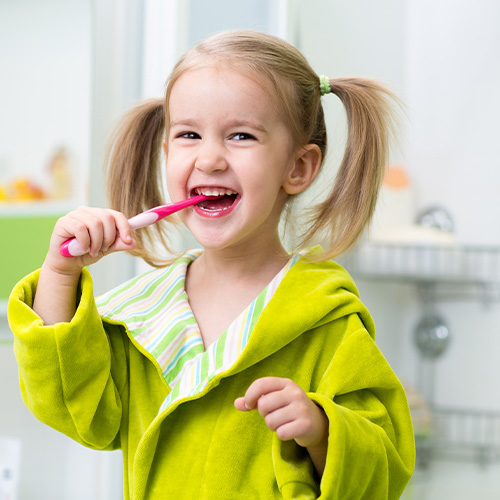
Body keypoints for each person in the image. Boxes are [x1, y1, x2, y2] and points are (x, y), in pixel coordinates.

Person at [9, 30, 415, 499]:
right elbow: (70, 406)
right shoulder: (142, 313)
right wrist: (61, 274)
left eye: (241, 135)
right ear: (166, 154)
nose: (209, 158)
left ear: (298, 168)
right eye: (188, 135)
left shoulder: (326, 319)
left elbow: (384, 468)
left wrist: (323, 431)